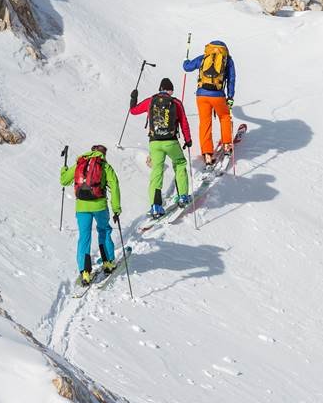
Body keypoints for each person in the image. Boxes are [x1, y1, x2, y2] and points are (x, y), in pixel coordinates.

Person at [129, 78, 193, 218]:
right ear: (169, 90)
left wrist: (133, 97)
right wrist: (188, 140)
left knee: (157, 171)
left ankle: (155, 206)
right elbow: (184, 123)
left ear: (160, 89)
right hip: (171, 141)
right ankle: (183, 196)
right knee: (180, 163)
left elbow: (133, 111)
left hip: (155, 142)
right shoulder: (175, 102)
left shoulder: (151, 101)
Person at [59, 144, 121, 285]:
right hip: (99, 205)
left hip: (82, 207)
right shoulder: (105, 166)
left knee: (84, 237)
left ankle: (85, 272)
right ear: (103, 154)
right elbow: (115, 186)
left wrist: (64, 169)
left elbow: (64, 180)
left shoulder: (80, 163)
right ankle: (108, 263)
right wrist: (116, 209)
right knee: (104, 231)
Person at [182, 40, 236, 167]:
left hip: (201, 95)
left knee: (205, 122)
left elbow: (187, 67)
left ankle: (207, 154)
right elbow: (231, 79)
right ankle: (227, 145)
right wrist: (230, 97)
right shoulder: (227, 60)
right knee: (224, 117)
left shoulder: (204, 57)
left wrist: (185, 60)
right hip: (218, 95)